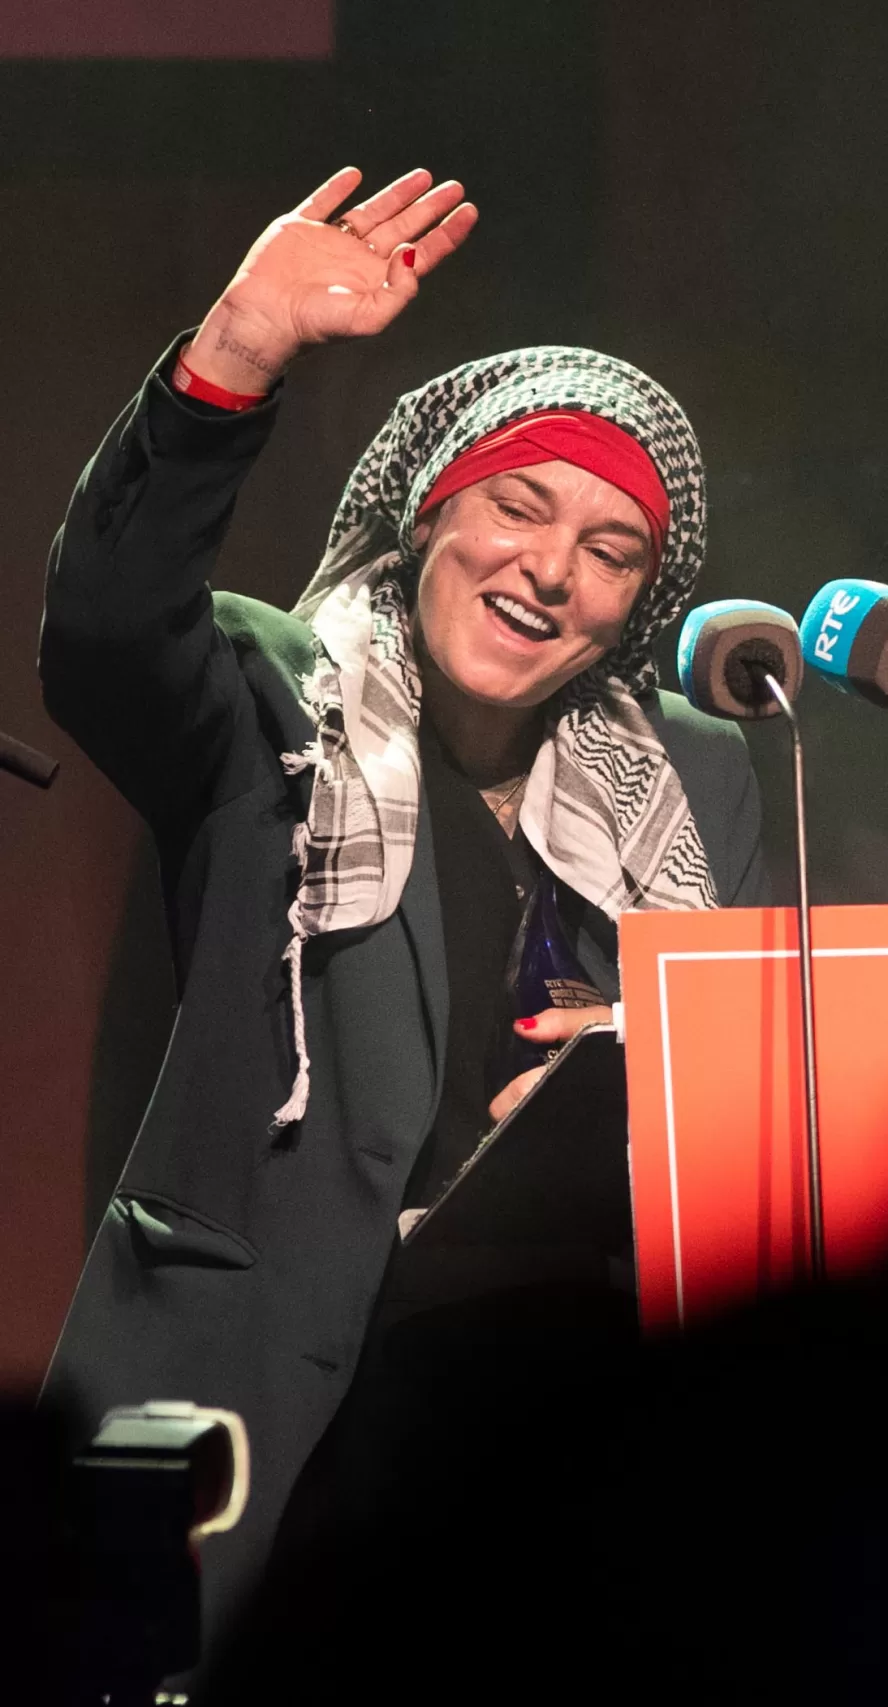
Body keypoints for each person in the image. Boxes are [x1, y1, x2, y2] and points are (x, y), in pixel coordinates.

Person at [34, 166, 768, 1661]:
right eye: (516, 505)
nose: (549, 569)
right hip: (249, 1417)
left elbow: (748, 1084)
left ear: (640, 600)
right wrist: (240, 344)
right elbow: (108, 622)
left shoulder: (698, 779)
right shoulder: (267, 696)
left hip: (537, 1434)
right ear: (432, 514)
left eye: (610, 550)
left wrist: (654, 1063)